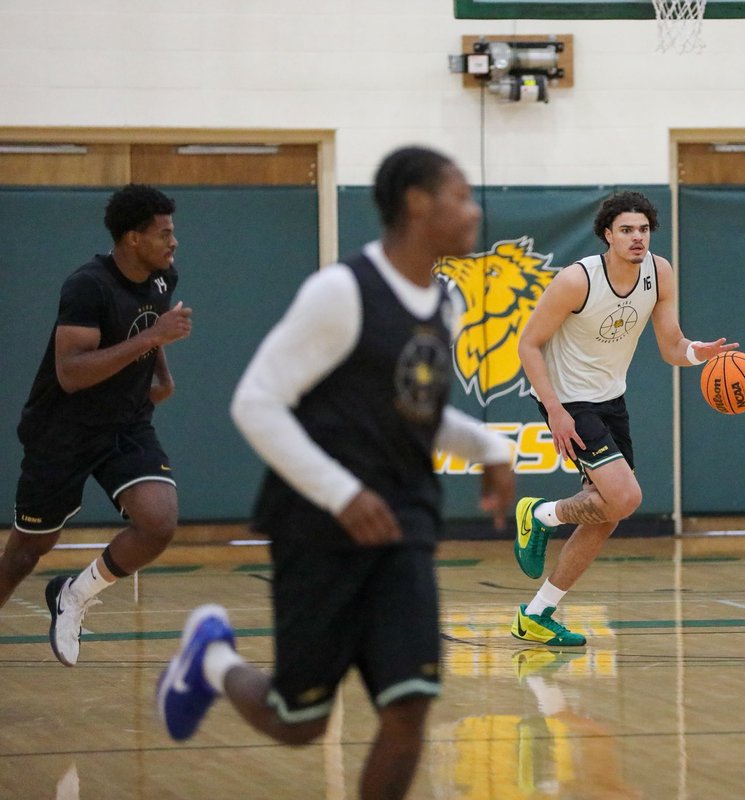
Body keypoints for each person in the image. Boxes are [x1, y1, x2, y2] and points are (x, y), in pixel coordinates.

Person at [156, 145, 516, 800]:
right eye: (461, 196)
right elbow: (255, 402)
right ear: (416, 203)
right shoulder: (342, 292)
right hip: (317, 526)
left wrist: (491, 448)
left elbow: (419, 414)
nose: (474, 211)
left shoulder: (445, 302)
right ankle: (210, 659)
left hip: (404, 521)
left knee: (408, 708)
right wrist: (341, 491)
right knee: (298, 722)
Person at [511, 191, 736, 647]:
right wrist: (554, 410)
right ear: (607, 235)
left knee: (608, 515)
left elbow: (671, 345)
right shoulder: (578, 281)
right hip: (569, 400)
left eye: (644, 230)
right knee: (625, 497)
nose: (637, 238)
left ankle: (537, 613)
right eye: (627, 230)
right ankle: (539, 514)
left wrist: (699, 354)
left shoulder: (660, 272)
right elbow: (528, 344)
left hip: (611, 399)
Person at [0, 183, 191, 667]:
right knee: (27, 551)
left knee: (159, 521)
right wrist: (152, 337)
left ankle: (75, 594)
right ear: (132, 238)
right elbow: (71, 373)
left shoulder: (163, 278)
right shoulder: (88, 286)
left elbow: (152, 326)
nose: (173, 242)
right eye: (164, 233)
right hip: (63, 430)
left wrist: (161, 374)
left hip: (125, 423)